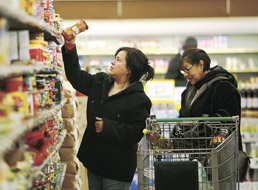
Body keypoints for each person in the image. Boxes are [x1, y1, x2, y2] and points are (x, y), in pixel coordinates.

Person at [61, 31, 155, 190]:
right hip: (94, 161)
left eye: (118, 60)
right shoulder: (100, 82)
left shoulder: (139, 99)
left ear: (129, 69)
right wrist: (70, 46)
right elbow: (75, 76)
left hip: (117, 168)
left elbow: (137, 132)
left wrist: (108, 127)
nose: (112, 62)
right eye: (114, 58)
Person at [177, 48, 242, 150]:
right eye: (183, 71)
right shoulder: (187, 93)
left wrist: (189, 135)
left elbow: (226, 121)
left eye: (187, 69)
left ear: (201, 65)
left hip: (222, 154)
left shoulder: (223, 87)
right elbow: (182, 119)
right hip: (197, 155)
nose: (185, 74)